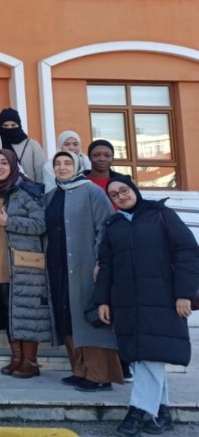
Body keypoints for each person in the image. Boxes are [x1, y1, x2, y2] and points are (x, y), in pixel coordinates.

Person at [94, 177, 198, 437]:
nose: (120, 196)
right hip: (127, 301)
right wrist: (103, 300)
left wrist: (184, 293)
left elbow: (187, 251)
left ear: (135, 190)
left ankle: (137, 411)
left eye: (124, 190)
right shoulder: (114, 225)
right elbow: (106, 266)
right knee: (143, 357)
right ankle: (161, 413)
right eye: (114, 194)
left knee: (150, 355)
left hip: (162, 298)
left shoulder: (161, 215)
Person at [45, 152, 123, 392]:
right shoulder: (51, 195)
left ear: (78, 166)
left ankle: (100, 375)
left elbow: (106, 225)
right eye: (57, 164)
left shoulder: (92, 191)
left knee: (89, 318)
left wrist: (100, 259)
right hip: (58, 266)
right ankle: (80, 370)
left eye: (67, 163)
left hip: (86, 266)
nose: (62, 167)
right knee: (67, 317)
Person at [0, 149, 50, 379]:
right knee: (9, 312)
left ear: (13, 165)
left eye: (3, 162)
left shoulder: (27, 191)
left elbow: (41, 224)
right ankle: (16, 358)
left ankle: (30, 361)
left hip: (25, 263)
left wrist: (10, 222)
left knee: (28, 312)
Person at [0, 108, 47, 184]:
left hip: (30, 192)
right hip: (2, 191)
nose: (9, 128)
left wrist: (40, 191)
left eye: (13, 125)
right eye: (5, 126)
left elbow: (41, 173)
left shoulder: (32, 145)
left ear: (19, 125)